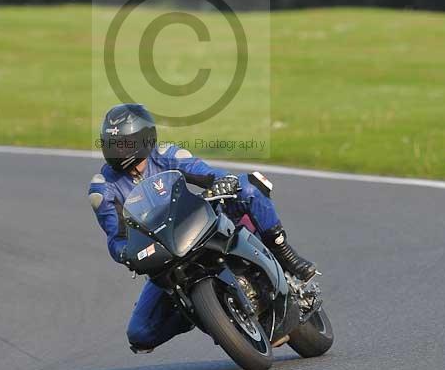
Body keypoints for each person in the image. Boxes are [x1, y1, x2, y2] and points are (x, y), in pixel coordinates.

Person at [89, 103, 316, 353]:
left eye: (123, 144)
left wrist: (221, 183)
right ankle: (202, 313)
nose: (117, 151)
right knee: (140, 333)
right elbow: (116, 238)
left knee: (249, 187)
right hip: (165, 258)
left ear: (144, 139)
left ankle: (285, 254)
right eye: (111, 145)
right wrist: (126, 253)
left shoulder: (166, 155)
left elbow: (208, 175)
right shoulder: (103, 189)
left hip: (201, 226)